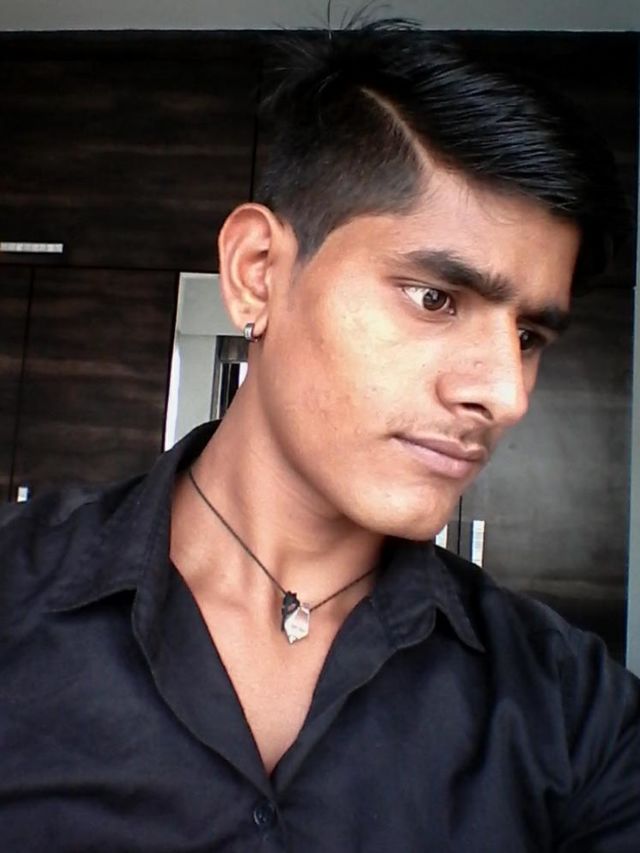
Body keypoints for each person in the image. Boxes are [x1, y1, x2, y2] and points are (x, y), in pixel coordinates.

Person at [1, 19, 638, 853]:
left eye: (528, 336)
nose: (504, 393)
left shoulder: (575, 712)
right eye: (435, 298)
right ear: (257, 272)